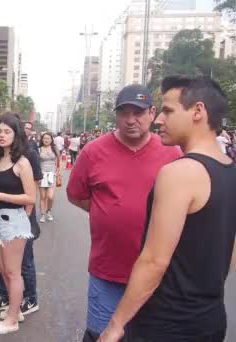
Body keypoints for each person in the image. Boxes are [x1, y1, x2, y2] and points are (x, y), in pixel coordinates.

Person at [100, 76, 236, 342]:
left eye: (168, 110)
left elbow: (154, 261)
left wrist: (115, 325)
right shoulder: (229, 169)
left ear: (198, 111)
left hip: (165, 324)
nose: (159, 119)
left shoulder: (179, 173)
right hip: (210, 319)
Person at [66, 84, 183, 342]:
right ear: (116, 115)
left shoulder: (172, 153)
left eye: (138, 112)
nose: (131, 120)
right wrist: (105, 211)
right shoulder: (93, 152)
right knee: (102, 334)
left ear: (152, 113)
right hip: (107, 270)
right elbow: (75, 195)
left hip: (157, 275)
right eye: (124, 113)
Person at [0, 113, 36, 335]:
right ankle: (14, 309)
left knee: (13, 273)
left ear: (16, 134)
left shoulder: (23, 162)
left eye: (7, 132)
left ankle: (12, 319)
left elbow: (30, 198)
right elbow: (4, 187)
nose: (1, 135)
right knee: (2, 269)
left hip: (14, 222)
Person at [38, 132, 60, 223]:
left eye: (48, 138)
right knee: (43, 196)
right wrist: (37, 175)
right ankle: (43, 214)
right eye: (45, 138)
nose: (46, 140)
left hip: (52, 175)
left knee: (50, 196)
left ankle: (49, 211)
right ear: (42, 140)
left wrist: (58, 171)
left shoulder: (55, 148)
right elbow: (36, 163)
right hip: (42, 175)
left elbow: (59, 161)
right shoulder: (39, 149)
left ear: (51, 140)